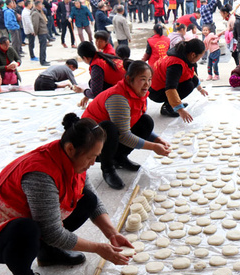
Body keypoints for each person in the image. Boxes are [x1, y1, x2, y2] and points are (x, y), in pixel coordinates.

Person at [0, 112, 134, 275]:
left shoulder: (73, 159)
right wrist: (98, 248)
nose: (93, 163)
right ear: (70, 148)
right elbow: (52, 232)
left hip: (30, 218)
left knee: (88, 200)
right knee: (27, 230)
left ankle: (47, 253)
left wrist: (112, 233)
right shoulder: (40, 174)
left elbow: (94, 201)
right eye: (91, 157)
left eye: (96, 157)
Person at [82, 61, 170, 189]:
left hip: (111, 137)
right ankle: (108, 168)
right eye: (143, 79)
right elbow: (124, 135)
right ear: (129, 79)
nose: (147, 84)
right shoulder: (118, 98)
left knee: (146, 121)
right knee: (108, 128)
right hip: (91, 142)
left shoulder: (138, 92)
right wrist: (153, 146)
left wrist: (157, 139)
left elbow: (134, 120)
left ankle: (119, 158)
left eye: (149, 79)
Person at [150, 39, 208, 120]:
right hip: (155, 92)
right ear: (193, 55)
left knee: (193, 81)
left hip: (161, 86)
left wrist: (200, 89)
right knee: (189, 85)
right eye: (200, 57)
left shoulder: (184, 56)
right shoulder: (176, 64)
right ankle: (167, 107)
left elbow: (191, 73)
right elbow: (170, 87)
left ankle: (173, 103)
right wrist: (180, 110)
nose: (199, 59)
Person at [76, 41, 125, 108]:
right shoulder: (104, 56)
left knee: (92, 84)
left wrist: (83, 90)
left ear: (84, 58)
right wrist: (87, 96)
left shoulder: (97, 66)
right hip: (128, 84)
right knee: (93, 82)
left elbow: (95, 93)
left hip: (124, 91)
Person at [31, 0, 50, 66]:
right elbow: (35, 24)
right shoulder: (35, 13)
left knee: (44, 46)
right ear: (38, 5)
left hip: (43, 31)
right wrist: (36, 32)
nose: (42, 5)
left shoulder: (39, 11)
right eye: (41, 4)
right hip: (41, 32)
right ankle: (42, 61)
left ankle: (44, 59)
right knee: (42, 46)